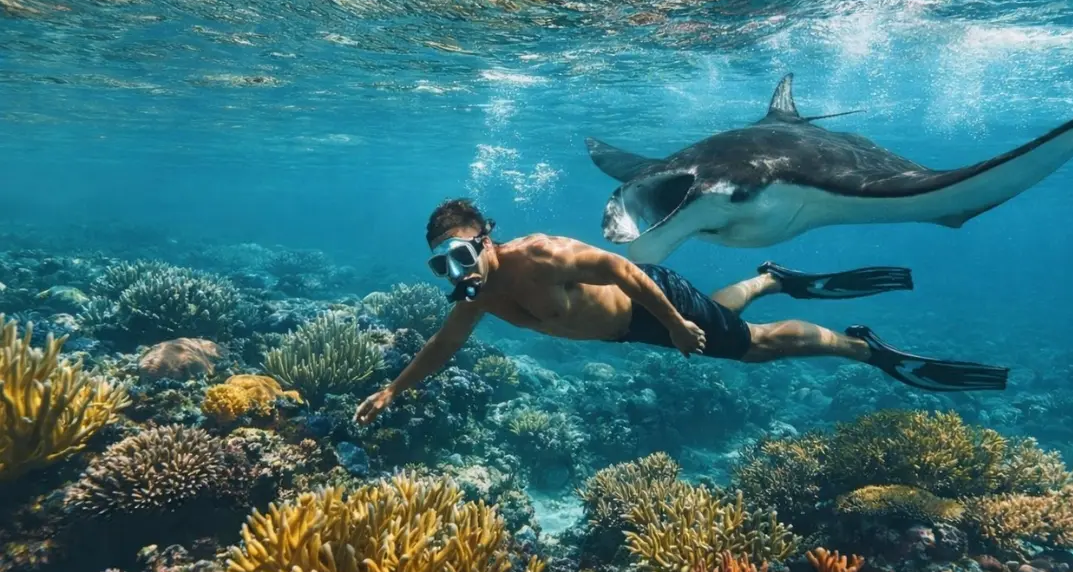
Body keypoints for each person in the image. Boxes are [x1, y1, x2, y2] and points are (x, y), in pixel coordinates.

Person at [354, 198, 1008, 424]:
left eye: (462, 257)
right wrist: (391, 388)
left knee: (750, 347)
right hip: (632, 332)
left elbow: (624, 269)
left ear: (485, 242)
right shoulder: (475, 297)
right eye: (443, 266)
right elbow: (441, 348)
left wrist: (672, 323)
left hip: (650, 305)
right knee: (723, 320)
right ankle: (771, 278)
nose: (456, 274)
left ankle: (864, 348)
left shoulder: (541, 257)